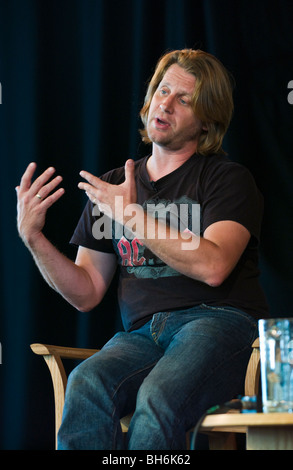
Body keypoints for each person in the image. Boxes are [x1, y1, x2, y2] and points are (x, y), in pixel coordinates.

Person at [16, 49, 268, 450]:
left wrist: (131, 215)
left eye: (183, 99)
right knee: (86, 384)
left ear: (207, 121)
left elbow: (214, 265)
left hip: (218, 323)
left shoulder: (227, 179)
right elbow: (86, 292)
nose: (164, 104)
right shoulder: (114, 185)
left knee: (159, 395)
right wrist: (34, 239)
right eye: (162, 91)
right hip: (142, 335)